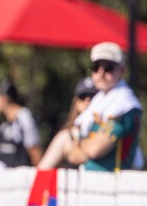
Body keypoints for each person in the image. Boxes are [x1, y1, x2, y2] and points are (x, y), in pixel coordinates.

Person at [38, 42, 142, 171]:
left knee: (65, 138)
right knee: (64, 137)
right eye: (96, 67)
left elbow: (95, 149)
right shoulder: (100, 101)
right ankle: (37, 184)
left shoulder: (125, 105)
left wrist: (77, 141)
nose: (101, 73)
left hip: (113, 184)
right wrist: (78, 143)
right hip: (90, 179)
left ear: (121, 70)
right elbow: (75, 155)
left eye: (108, 68)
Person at [0, 79, 43, 167]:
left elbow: (34, 149)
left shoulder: (23, 116)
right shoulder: (3, 121)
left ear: (4, 98)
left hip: (22, 176)